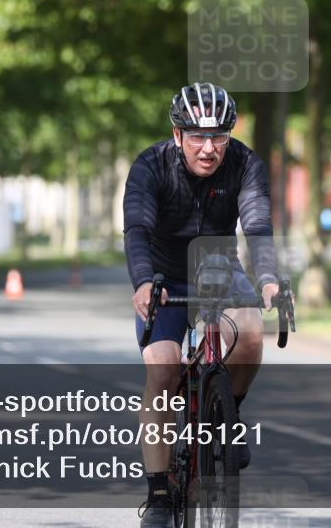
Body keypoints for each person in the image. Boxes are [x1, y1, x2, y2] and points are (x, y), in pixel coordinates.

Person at [124, 83, 282, 528]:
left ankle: (225, 414)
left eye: (219, 137)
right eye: (197, 136)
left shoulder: (245, 163)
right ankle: (158, 495)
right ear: (177, 135)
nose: (209, 148)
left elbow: (257, 224)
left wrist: (267, 279)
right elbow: (136, 229)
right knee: (164, 370)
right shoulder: (150, 166)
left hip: (218, 268)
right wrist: (141, 283)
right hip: (163, 275)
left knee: (249, 336)